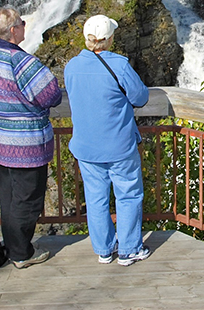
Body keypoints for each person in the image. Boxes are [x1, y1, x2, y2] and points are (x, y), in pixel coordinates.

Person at [0, 5, 62, 269]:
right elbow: (51, 94)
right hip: (25, 144)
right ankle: (22, 254)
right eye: (22, 23)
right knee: (28, 199)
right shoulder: (21, 61)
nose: (25, 26)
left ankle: (13, 247)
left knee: (10, 198)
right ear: (13, 30)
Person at [64, 14, 150, 266]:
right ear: (109, 38)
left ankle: (104, 249)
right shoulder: (119, 65)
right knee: (128, 195)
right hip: (119, 146)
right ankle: (129, 249)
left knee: (96, 198)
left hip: (86, 146)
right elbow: (141, 97)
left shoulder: (72, 66)